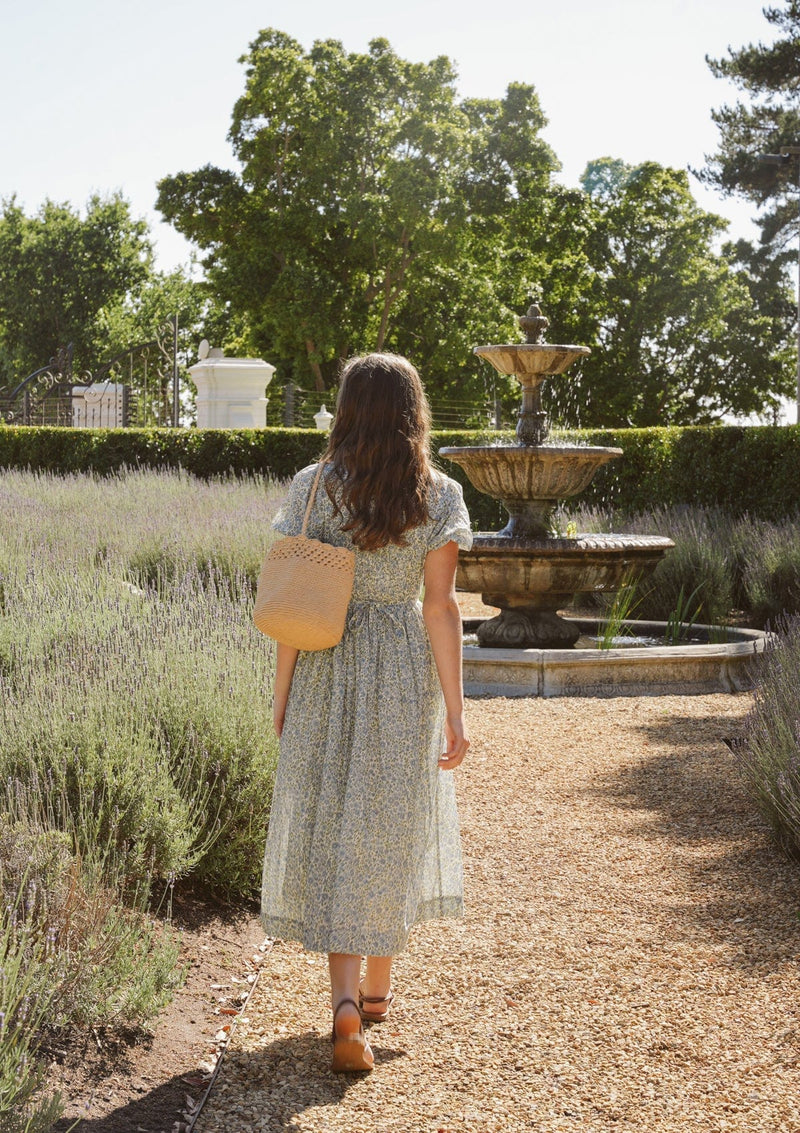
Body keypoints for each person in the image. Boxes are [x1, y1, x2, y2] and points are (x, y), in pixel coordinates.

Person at [260, 352, 472, 1073]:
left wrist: (283, 693)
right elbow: (441, 607)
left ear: (347, 408)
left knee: (338, 825)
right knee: (390, 817)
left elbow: (292, 604)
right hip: (400, 666)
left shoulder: (312, 487)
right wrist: (456, 710)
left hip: (325, 662)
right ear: (415, 411)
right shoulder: (438, 494)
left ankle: (345, 1002)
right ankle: (378, 995)